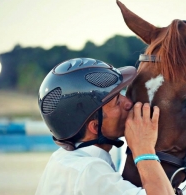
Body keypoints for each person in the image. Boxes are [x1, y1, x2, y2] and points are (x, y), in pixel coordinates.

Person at [35, 58, 174, 195]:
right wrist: (144, 150)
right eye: (117, 102)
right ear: (95, 127)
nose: (128, 103)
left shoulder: (60, 159)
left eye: (121, 94)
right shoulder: (90, 172)